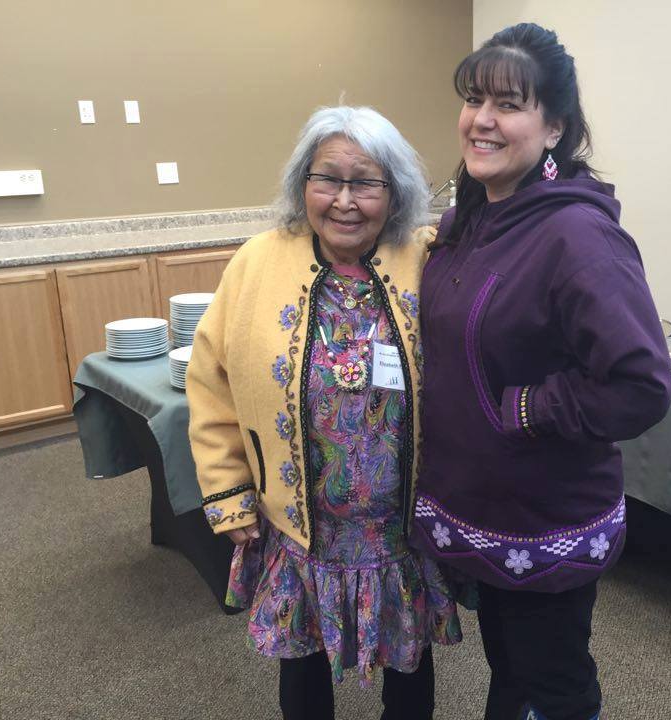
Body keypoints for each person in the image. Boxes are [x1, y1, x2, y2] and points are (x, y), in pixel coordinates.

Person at [411, 24, 671, 720]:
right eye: (474, 99)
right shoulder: (473, 220)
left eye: (508, 104)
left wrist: (526, 408)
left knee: (553, 685)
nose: (482, 120)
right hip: (487, 507)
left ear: (554, 127)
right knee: (513, 671)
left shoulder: (578, 236)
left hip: (542, 514)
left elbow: (641, 384)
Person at [187, 105, 462, 720]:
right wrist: (227, 492)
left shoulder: (427, 257)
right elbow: (211, 383)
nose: (344, 200)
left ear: (394, 192)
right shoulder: (257, 263)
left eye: (365, 182)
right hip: (300, 523)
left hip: (399, 525)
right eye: (326, 179)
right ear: (301, 184)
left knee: (410, 666)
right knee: (303, 667)